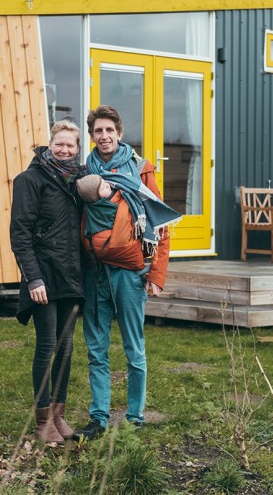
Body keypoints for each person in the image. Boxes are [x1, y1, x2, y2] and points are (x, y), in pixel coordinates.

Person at [76, 105, 180, 442]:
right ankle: (99, 418)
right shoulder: (83, 173)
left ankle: (135, 417)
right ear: (91, 136)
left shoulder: (140, 171)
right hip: (95, 272)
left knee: (134, 349)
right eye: (97, 131)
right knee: (96, 348)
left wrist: (157, 275)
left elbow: (160, 225)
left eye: (109, 130)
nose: (103, 136)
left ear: (119, 134)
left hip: (131, 273)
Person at [10, 119, 87, 444]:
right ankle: (42, 420)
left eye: (71, 146)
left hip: (70, 274)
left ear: (77, 149)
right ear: (50, 144)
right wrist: (33, 278)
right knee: (46, 346)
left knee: (66, 347)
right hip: (43, 275)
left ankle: (58, 415)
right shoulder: (30, 179)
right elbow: (20, 233)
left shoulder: (79, 181)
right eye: (60, 144)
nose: (65, 150)